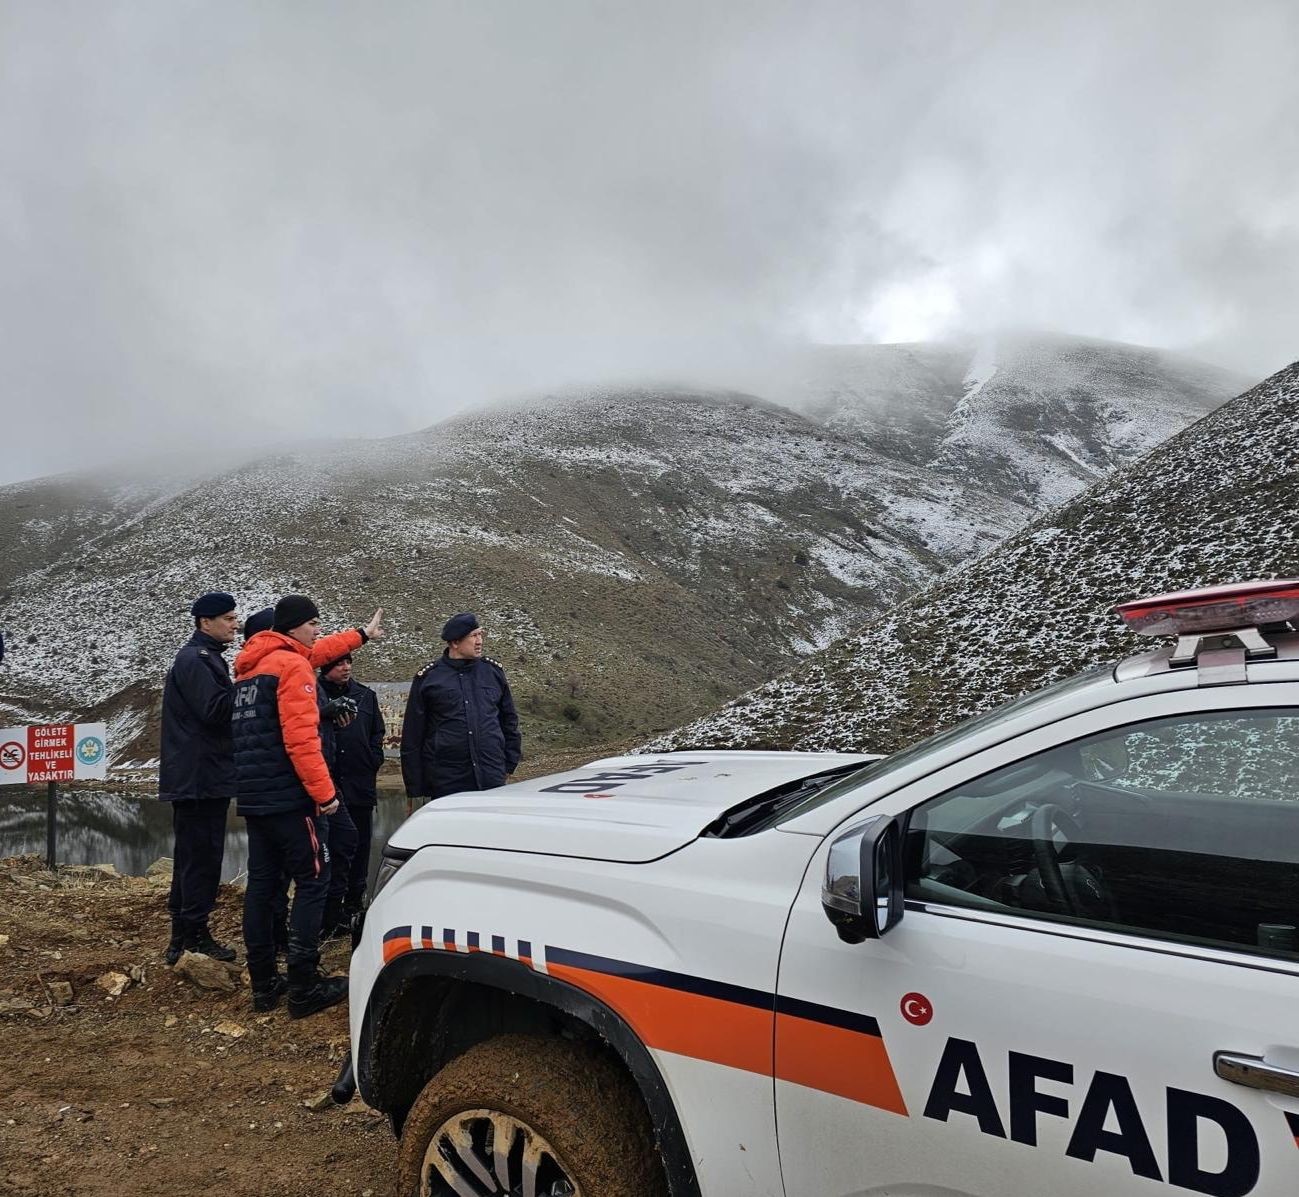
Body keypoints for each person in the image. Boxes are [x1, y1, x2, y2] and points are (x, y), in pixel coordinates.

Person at [232, 595, 380, 1017]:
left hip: (256, 796)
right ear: (295, 627)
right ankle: (303, 986)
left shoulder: (250, 669)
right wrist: (326, 795)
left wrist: (362, 635)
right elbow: (301, 741)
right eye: (314, 623)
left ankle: (264, 984)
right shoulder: (293, 667)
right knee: (314, 881)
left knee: (262, 885)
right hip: (292, 798)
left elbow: (319, 652)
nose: (318, 630)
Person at [159, 591, 240, 966]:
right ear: (205, 622)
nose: (235, 625)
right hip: (199, 777)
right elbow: (216, 710)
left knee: (193, 857)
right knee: (200, 858)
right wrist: (250, 685)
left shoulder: (205, 658)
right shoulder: (196, 659)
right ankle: (192, 936)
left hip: (202, 775)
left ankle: (183, 936)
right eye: (228, 619)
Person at [400, 612, 521, 804]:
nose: (480, 641)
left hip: (490, 775)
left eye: (480, 634)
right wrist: (415, 786)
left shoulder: (493, 672)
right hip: (447, 780)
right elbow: (413, 735)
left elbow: (509, 721)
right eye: (474, 636)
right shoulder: (429, 678)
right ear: (455, 642)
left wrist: (509, 763)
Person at [318, 652, 385, 933]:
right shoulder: (315, 695)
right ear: (326, 667)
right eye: (339, 663)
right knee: (330, 848)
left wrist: (373, 759)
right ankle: (329, 912)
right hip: (327, 786)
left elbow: (377, 732)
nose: (345, 668)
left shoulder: (366, 696)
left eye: (348, 662)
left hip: (360, 783)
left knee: (360, 845)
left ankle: (354, 905)